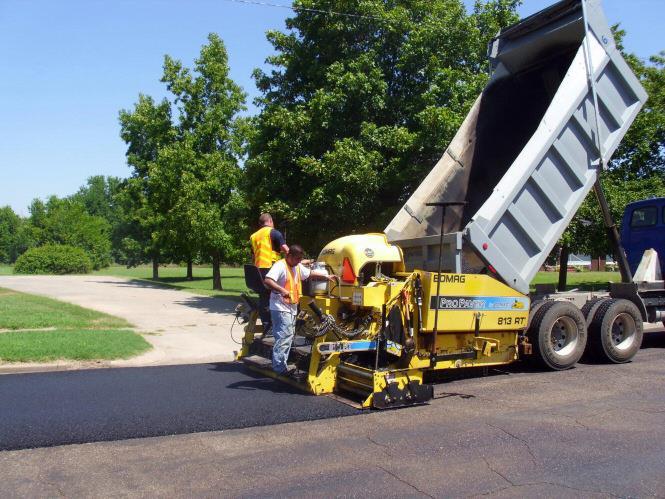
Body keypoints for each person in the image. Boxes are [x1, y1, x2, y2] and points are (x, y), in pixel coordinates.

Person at [264, 244, 336, 375]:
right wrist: (281, 290)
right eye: (297, 259)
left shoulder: (297, 267)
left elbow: (309, 273)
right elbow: (268, 280)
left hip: (290, 307)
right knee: (284, 337)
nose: (298, 261)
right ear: (289, 255)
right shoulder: (280, 266)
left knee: (288, 336)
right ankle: (279, 368)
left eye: (300, 259)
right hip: (280, 307)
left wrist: (326, 277)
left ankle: (281, 364)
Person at [249, 213, 289, 333]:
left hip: (258, 271)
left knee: (264, 297)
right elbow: (287, 250)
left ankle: (267, 325)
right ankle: (280, 326)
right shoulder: (274, 232)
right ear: (270, 221)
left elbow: (253, 256)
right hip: (271, 269)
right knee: (281, 295)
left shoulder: (253, 236)